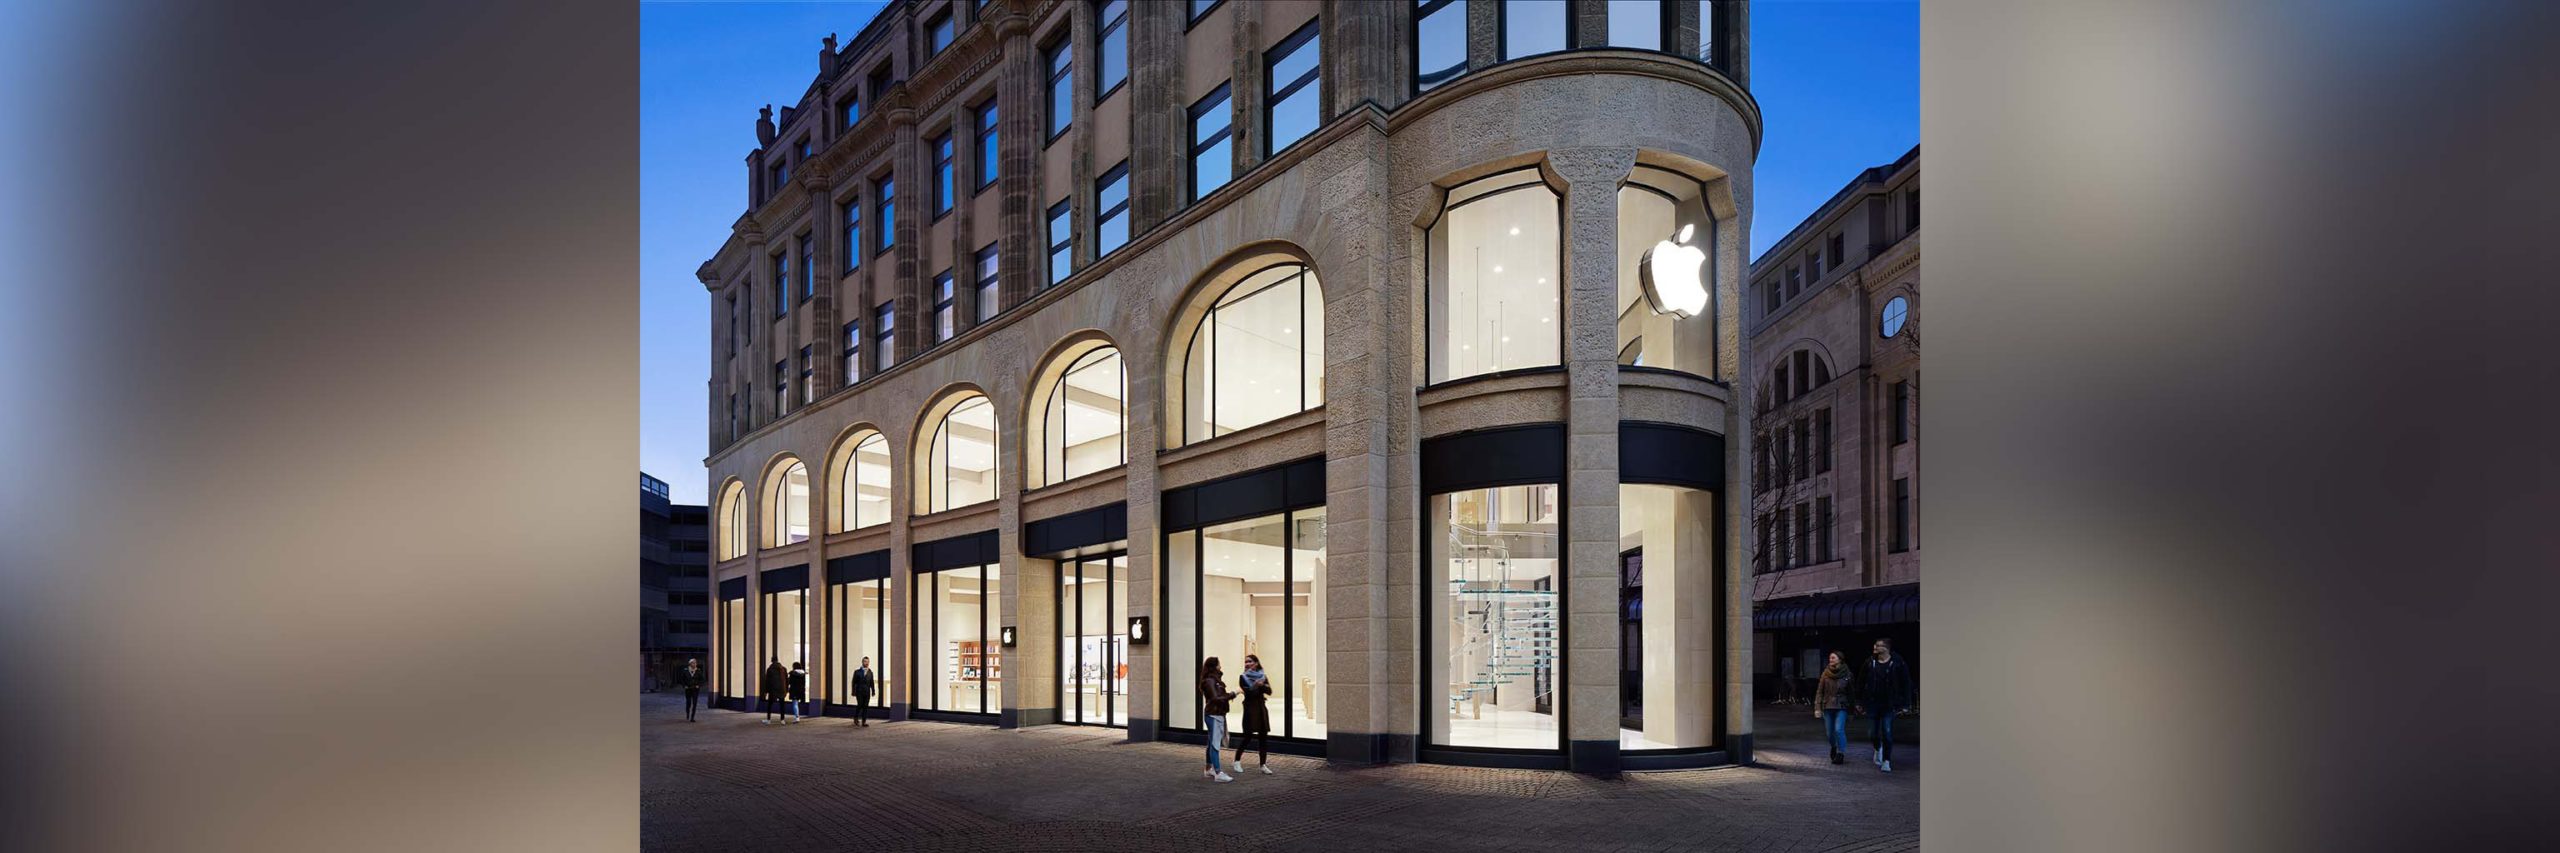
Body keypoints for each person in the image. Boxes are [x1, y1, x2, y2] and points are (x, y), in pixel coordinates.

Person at [1856, 638, 1914, 772]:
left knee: (1887, 732)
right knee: (1872, 733)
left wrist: (1906, 703)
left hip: (1889, 704)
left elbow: (1906, 683)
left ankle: (1887, 761)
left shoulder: (1898, 662)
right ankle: (1877, 748)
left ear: (1886, 648)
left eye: (1878, 645)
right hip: (1872, 703)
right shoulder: (1870, 662)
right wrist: (1859, 701)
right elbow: (1860, 681)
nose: (1875, 647)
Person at [1232, 654, 1274, 775]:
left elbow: (1269, 691)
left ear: (1256, 663)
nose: (1247, 664)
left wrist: (1263, 685)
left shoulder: (1263, 675)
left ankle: (1263, 765)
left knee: (1263, 737)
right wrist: (1256, 685)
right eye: (1245, 662)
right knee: (1247, 736)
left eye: (1250, 661)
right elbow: (1249, 693)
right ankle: (1237, 761)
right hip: (1250, 709)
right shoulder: (1243, 677)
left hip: (1261, 708)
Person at [1198, 657, 1237, 782]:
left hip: (1216, 714)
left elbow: (1218, 696)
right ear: (1214, 666)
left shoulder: (1215, 680)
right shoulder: (1210, 680)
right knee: (1215, 744)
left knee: (1211, 743)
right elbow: (1216, 698)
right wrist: (1233, 694)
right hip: (1214, 715)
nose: (1221, 666)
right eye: (1219, 664)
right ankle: (1218, 773)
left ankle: (1209, 769)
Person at [1811, 651, 1854, 764]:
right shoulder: (1825, 673)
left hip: (1842, 705)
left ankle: (1841, 753)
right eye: (1830, 658)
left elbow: (1851, 693)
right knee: (1830, 733)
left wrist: (1852, 710)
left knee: (1839, 730)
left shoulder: (1847, 674)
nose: (1831, 660)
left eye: (1833, 658)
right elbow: (1819, 692)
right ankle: (1834, 746)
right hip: (1828, 706)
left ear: (1840, 659)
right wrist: (1817, 708)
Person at [848, 656, 875, 727]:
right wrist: (853, 691)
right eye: (865, 661)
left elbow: (872, 682)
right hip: (859, 692)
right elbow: (853, 682)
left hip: (867, 692)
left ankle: (864, 722)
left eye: (868, 662)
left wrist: (873, 691)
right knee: (860, 705)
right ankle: (856, 718)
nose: (866, 663)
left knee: (865, 706)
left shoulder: (870, 672)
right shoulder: (857, 672)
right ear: (862, 662)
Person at [761, 657, 787, 724]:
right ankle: (782, 720)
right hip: (782, 689)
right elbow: (786, 680)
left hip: (773, 690)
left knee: (769, 705)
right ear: (777, 660)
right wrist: (786, 689)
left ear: (772, 660)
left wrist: (766, 691)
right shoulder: (783, 669)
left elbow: (767, 681)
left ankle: (768, 720)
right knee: (782, 705)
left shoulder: (770, 669)